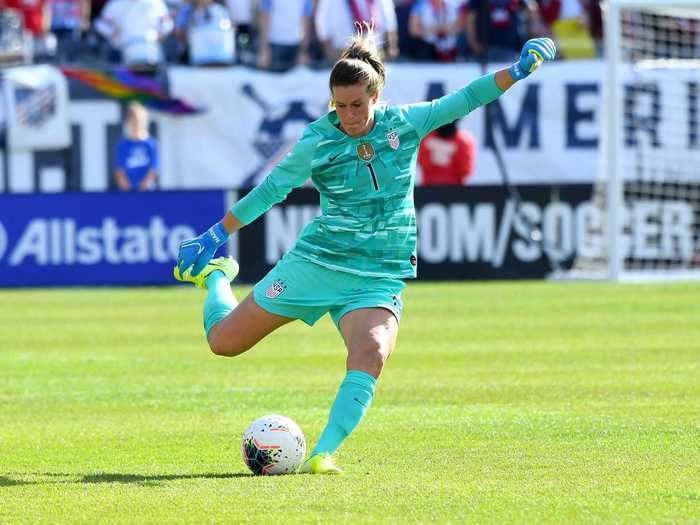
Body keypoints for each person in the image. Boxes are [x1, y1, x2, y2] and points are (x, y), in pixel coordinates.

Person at [173, 25, 556, 474]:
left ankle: (321, 454)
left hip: (377, 272)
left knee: (372, 352)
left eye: (357, 105)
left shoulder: (406, 124)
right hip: (318, 261)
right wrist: (217, 234)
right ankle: (218, 274)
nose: (349, 116)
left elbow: (467, 97)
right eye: (340, 106)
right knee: (224, 343)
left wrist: (516, 71)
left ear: (376, 97)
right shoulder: (319, 140)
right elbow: (272, 189)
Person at [114, 102, 159, 191]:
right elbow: (119, 170)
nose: (136, 124)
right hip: (127, 192)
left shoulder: (151, 144)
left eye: (139, 120)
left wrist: (144, 185)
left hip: (147, 192)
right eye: (133, 120)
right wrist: (126, 187)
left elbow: (154, 169)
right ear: (128, 122)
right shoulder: (122, 145)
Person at [418, 119, 476, 185]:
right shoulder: (425, 139)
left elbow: (465, 171)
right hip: (428, 189)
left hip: (455, 191)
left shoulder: (463, 141)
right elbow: (422, 164)